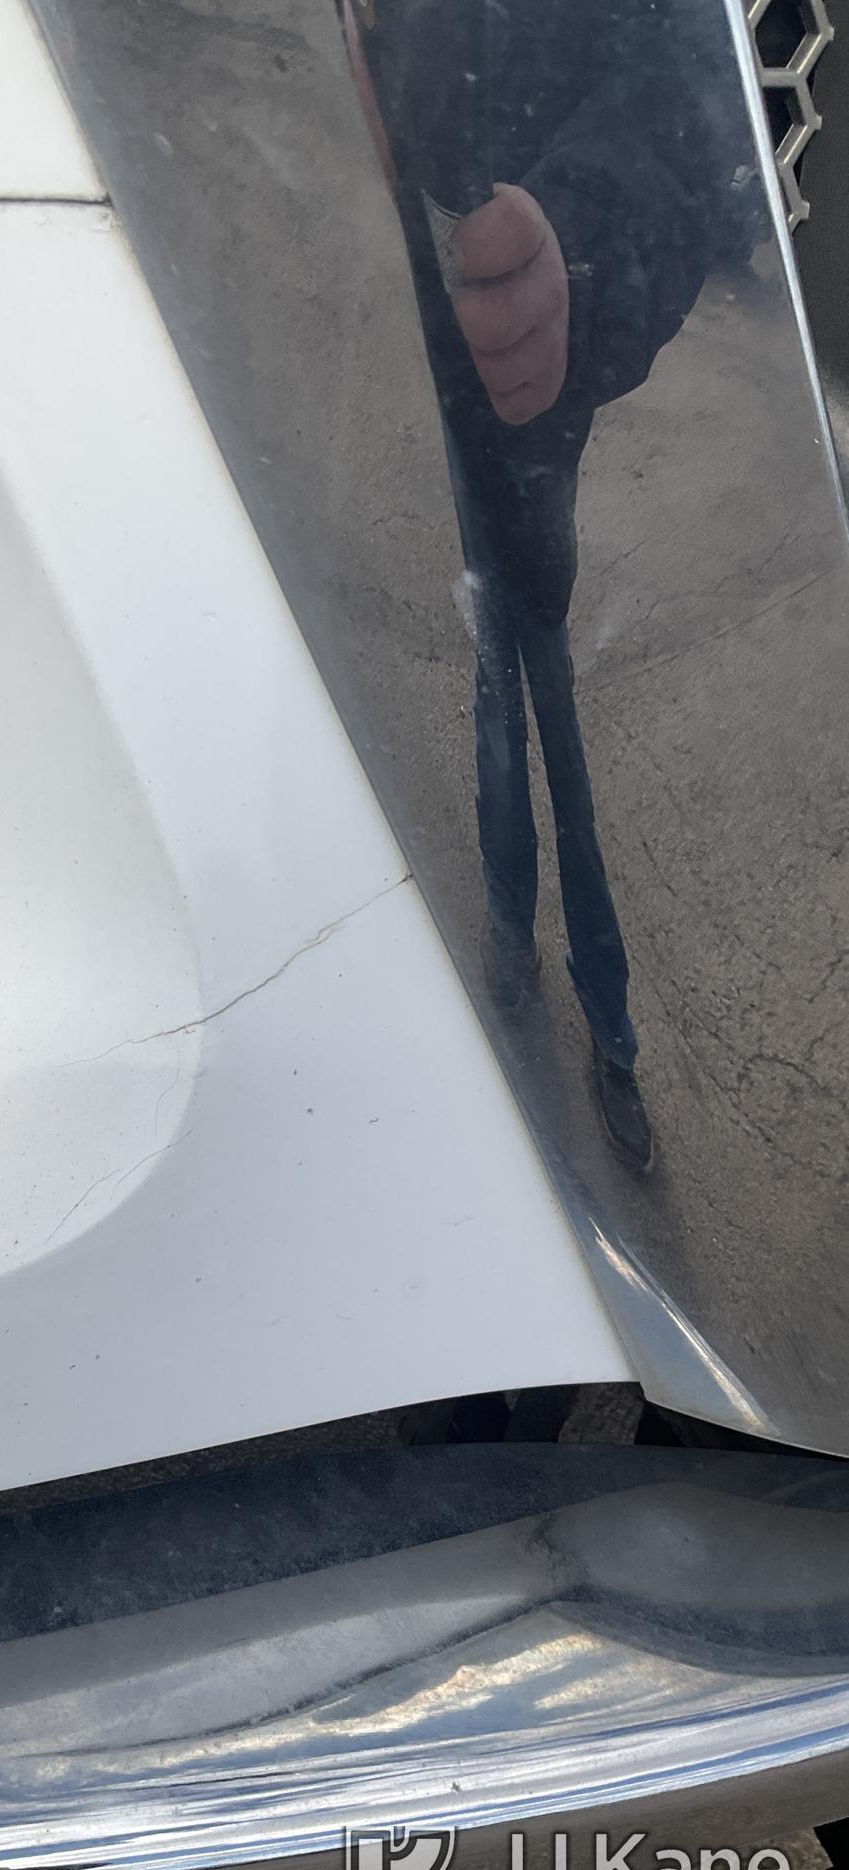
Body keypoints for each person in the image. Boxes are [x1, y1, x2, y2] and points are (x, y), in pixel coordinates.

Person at [337, 0, 742, 1170]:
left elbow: (687, 107)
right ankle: (510, 942)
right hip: (449, 376)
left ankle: (611, 1034)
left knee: (558, 717)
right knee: (493, 693)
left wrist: (581, 251)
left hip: (539, 395)